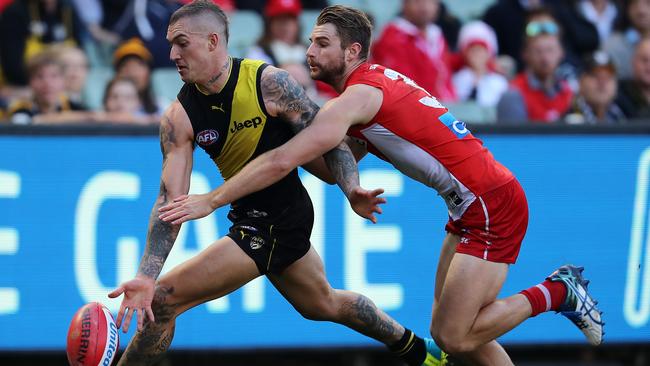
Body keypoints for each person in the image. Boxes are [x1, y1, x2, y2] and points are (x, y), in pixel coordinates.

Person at [159, 5, 605, 365]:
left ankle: (558, 291)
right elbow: (336, 162)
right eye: (311, 41)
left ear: (352, 51)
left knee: (453, 333)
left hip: (489, 202)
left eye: (322, 43)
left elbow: (283, 161)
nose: (310, 50)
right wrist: (351, 188)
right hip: (468, 204)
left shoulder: (354, 98)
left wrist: (211, 200)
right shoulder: (366, 90)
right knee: (455, 333)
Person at [108, 2, 444, 366]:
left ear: (212, 41)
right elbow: (169, 202)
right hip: (254, 217)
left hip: (276, 220)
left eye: (181, 43)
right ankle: (418, 350)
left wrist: (351, 189)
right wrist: (144, 274)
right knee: (323, 304)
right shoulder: (179, 117)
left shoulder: (269, 83)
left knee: (163, 300)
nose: (172, 54)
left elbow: (329, 144)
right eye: (171, 44)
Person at [497, 13, 573, 123]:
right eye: (538, 51)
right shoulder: (513, 94)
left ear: (561, 53)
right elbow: (514, 138)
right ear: (525, 54)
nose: (545, 58)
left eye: (550, 50)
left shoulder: (569, 90)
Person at [564, 50, 626, 124]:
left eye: (608, 77)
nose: (602, 83)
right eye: (595, 76)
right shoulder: (568, 116)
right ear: (580, 82)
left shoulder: (624, 113)